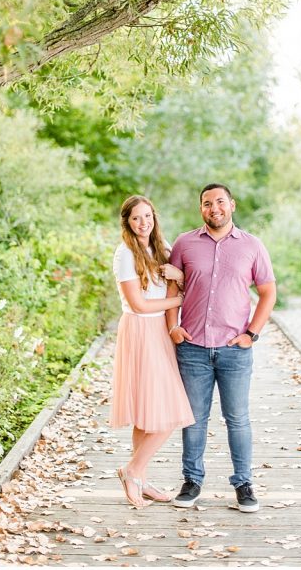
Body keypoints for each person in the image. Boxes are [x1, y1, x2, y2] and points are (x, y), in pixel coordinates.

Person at [165, 183, 277, 513]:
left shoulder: (253, 246)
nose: (214, 208)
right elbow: (173, 287)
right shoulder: (184, 243)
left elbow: (268, 292)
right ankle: (192, 480)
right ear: (201, 209)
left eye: (220, 202)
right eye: (206, 203)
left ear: (232, 205)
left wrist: (251, 334)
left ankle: (244, 484)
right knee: (194, 420)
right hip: (193, 348)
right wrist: (173, 326)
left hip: (234, 350)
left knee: (238, 419)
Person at [110, 195, 195, 508]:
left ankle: (140, 478)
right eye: (136, 218)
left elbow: (184, 284)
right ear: (128, 223)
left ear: (154, 218)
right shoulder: (125, 254)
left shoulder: (163, 247)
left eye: (147, 216)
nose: (143, 223)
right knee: (171, 412)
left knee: (146, 414)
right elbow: (139, 303)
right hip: (140, 330)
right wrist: (178, 302)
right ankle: (131, 470)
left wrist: (181, 278)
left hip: (160, 330)